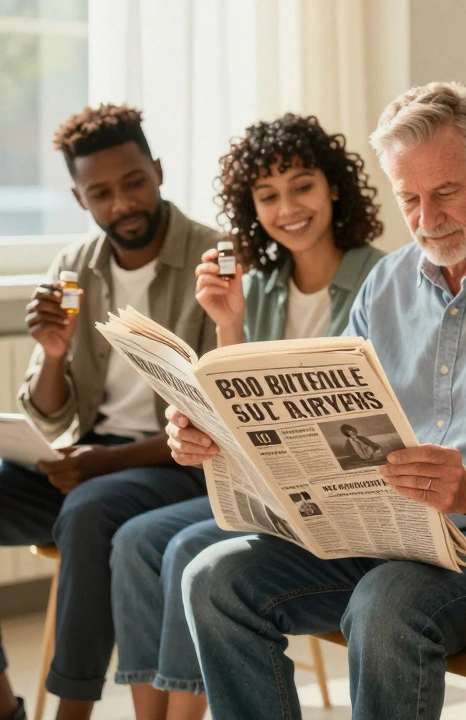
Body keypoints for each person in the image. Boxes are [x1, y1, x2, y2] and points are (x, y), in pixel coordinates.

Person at [168, 81, 466, 720]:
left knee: (386, 604)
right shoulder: (388, 281)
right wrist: (221, 434)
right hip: (385, 527)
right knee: (213, 580)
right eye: (409, 199)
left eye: (446, 193)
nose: (427, 220)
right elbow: (321, 417)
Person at [107, 113, 386, 720]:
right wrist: (226, 321)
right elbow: (235, 416)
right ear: (251, 206)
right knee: (133, 540)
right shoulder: (257, 287)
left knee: (186, 550)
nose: (288, 207)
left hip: (332, 499)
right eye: (268, 195)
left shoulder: (380, 278)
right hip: (264, 493)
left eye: (302, 185)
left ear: (333, 186)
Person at [0, 104, 218, 720]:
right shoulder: (74, 268)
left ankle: (70, 712)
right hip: (88, 465)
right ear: (79, 197)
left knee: (91, 510)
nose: (123, 203)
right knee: (84, 502)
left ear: (159, 171)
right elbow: (48, 417)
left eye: (134, 183)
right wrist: (50, 356)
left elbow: (214, 418)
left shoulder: (213, 258)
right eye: (102, 192)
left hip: (175, 467)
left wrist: (102, 464)